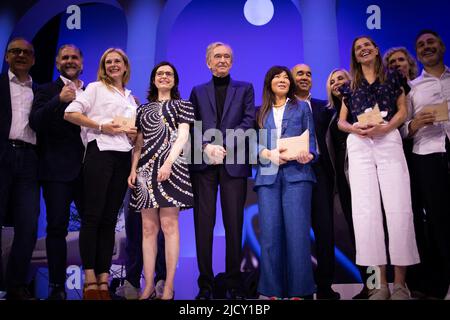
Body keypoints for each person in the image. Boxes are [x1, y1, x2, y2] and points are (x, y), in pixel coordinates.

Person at [337, 35, 420, 300]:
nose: (363, 49)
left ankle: (400, 285)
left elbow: (402, 110)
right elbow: (341, 121)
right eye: (358, 48)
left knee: (399, 207)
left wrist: (387, 127)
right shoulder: (349, 86)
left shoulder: (394, 77)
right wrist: (354, 128)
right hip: (360, 143)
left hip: (388, 137)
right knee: (365, 212)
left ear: (375, 50)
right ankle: (379, 284)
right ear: (355, 55)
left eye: (367, 46)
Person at [64, 48, 137, 300]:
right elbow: (70, 113)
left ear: (125, 67)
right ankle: (90, 278)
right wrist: (101, 126)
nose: (113, 65)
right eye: (108, 62)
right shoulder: (94, 88)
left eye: (118, 61)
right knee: (93, 217)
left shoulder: (130, 97)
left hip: (123, 157)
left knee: (109, 220)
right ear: (103, 67)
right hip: (99, 154)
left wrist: (134, 133)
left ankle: (104, 279)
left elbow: (130, 132)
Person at [189, 42, 256, 300]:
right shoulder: (197, 91)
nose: (222, 60)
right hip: (204, 166)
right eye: (217, 56)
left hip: (233, 162)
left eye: (227, 56)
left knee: (234, 225)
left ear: (232, 61)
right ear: (208, 62)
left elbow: (249, 120)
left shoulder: (245, 88)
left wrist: (223, 146)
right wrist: (207, 148)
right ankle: (205, 284)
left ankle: (233, 283)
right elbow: (191, 125)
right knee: (203, 226)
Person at [128, 61, 194, 300]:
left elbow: (183, 136)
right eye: (160, 74)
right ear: (153, 80)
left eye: (168, 74)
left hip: (172, 168)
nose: (164, 77)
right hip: (145, 172)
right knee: (147, 229)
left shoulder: (183, 105)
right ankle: (147, 285)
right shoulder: (143, 110)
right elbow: (139, 143)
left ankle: (168, 286)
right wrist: (133, 169)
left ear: (174, 80)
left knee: (169, 226)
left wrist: (167, 163)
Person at [255, 65, 317, 299]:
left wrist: (308, 154)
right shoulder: (260, 112)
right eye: (276, 77)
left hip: (298, 175)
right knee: (270, 234)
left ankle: (300, 291)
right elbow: (250, 143)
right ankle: (271, 291)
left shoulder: (302, 108)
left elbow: (312, 142)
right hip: (268, 176)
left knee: (298, 234)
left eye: (285, 77)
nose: (282, 80)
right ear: (269, 83)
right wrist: (268, 153)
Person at [29, 44, 85, 300]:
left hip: (89, 172)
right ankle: (56, 286)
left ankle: (96, 282)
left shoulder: (92, 91)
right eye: (65, 57)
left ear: (81, 63)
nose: (70, 61)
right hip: (56, 171)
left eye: (74, 57)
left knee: (95, 228)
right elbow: (35, 122)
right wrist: (58, 101)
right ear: (57, 62)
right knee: (56, 229)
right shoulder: (45, 90)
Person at [401, 30, 450, 300]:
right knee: (439, 223)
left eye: (430, 42)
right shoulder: (412, 88)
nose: (426, 47)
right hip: (427, 155)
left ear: (441, 46)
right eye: (420, 45)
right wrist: (414, 124)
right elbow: (403, 129)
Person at [291, 64, 339, 300]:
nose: (305, 77)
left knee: (324, 230)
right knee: (297, 232)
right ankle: (301, 286)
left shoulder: (324, 107)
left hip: (320, 173)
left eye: (309, 73)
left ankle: (325, 286)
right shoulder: (282, 107)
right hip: (292, 172)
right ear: (291, 78)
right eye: (300, 73)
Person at [0, 37, 39, 300]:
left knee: (28, 225)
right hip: (1, 156)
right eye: (16, 51)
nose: (21, 55)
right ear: (6, 57)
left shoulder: (42, 90)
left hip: (31, 159)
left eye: (27, 52)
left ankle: (15, 284)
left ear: (34, 59)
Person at [325, 68, 370, 299]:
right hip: (344, 179)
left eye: (341, 78)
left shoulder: (361, 104)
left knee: (370, 231)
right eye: (332, 81)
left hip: (365, 173)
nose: (336, 83)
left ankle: (377, 284)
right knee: (357, 233)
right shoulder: (331, 114)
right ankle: (368, 284)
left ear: (351, 81)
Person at [115, 190, 167, 300]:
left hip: (156, 178)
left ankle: (159, 283)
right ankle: (134, 284)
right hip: (136, 178)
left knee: (157, 232)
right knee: (135, 229)